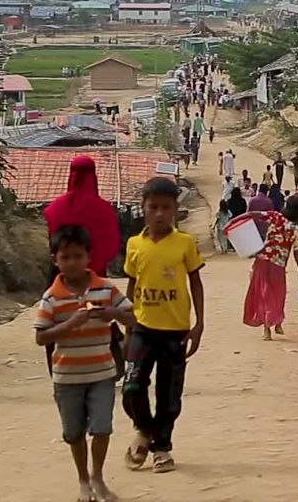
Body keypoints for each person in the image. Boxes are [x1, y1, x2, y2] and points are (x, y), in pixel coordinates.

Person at [34, 226, 135, 502]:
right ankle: (83, 480)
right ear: (56, 260)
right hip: (66, 376)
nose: (72, 262)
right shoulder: (51, 298)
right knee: (74, 432)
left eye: (78, 256)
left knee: (102, 427)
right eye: (66, 257)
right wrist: (70, 324)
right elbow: (41, 337)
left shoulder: (105, 288)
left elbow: (132, 317)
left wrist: (112, 313)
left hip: (102, 372)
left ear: (89, 257)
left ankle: (98, 477)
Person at [122, 177, 206, 474]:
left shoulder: (184, 244)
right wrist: (128, 328)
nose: (159, 214)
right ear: (143, 209)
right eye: (153, 207)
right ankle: (144, 431)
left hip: (176, 331)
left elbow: (195, 281)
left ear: (175, 210)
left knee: (169, 394)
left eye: (166, 208)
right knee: (132, 387)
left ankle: (162, 448)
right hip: (142, 327)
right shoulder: (134, 245)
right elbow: (132, 286)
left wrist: (199, 324)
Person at [43, 156, 124, 379]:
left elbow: (53, 238)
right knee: (100, 318)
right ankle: (111, 367)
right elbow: (112, 242)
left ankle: (57, 371)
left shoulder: (55, 209)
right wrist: (94, 263)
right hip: (95, 274)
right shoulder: (104, 210)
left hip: (61, 274)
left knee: (56, 316)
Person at [243, 196, 298, 341]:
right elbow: (297, 253)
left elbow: (253, 214)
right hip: (278, 266)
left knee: (264, 295)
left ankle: (268, 328)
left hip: (262, 262)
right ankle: (275, 322)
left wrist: (234, 222)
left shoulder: (274, 216)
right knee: (278, 295)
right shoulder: (295, 230)